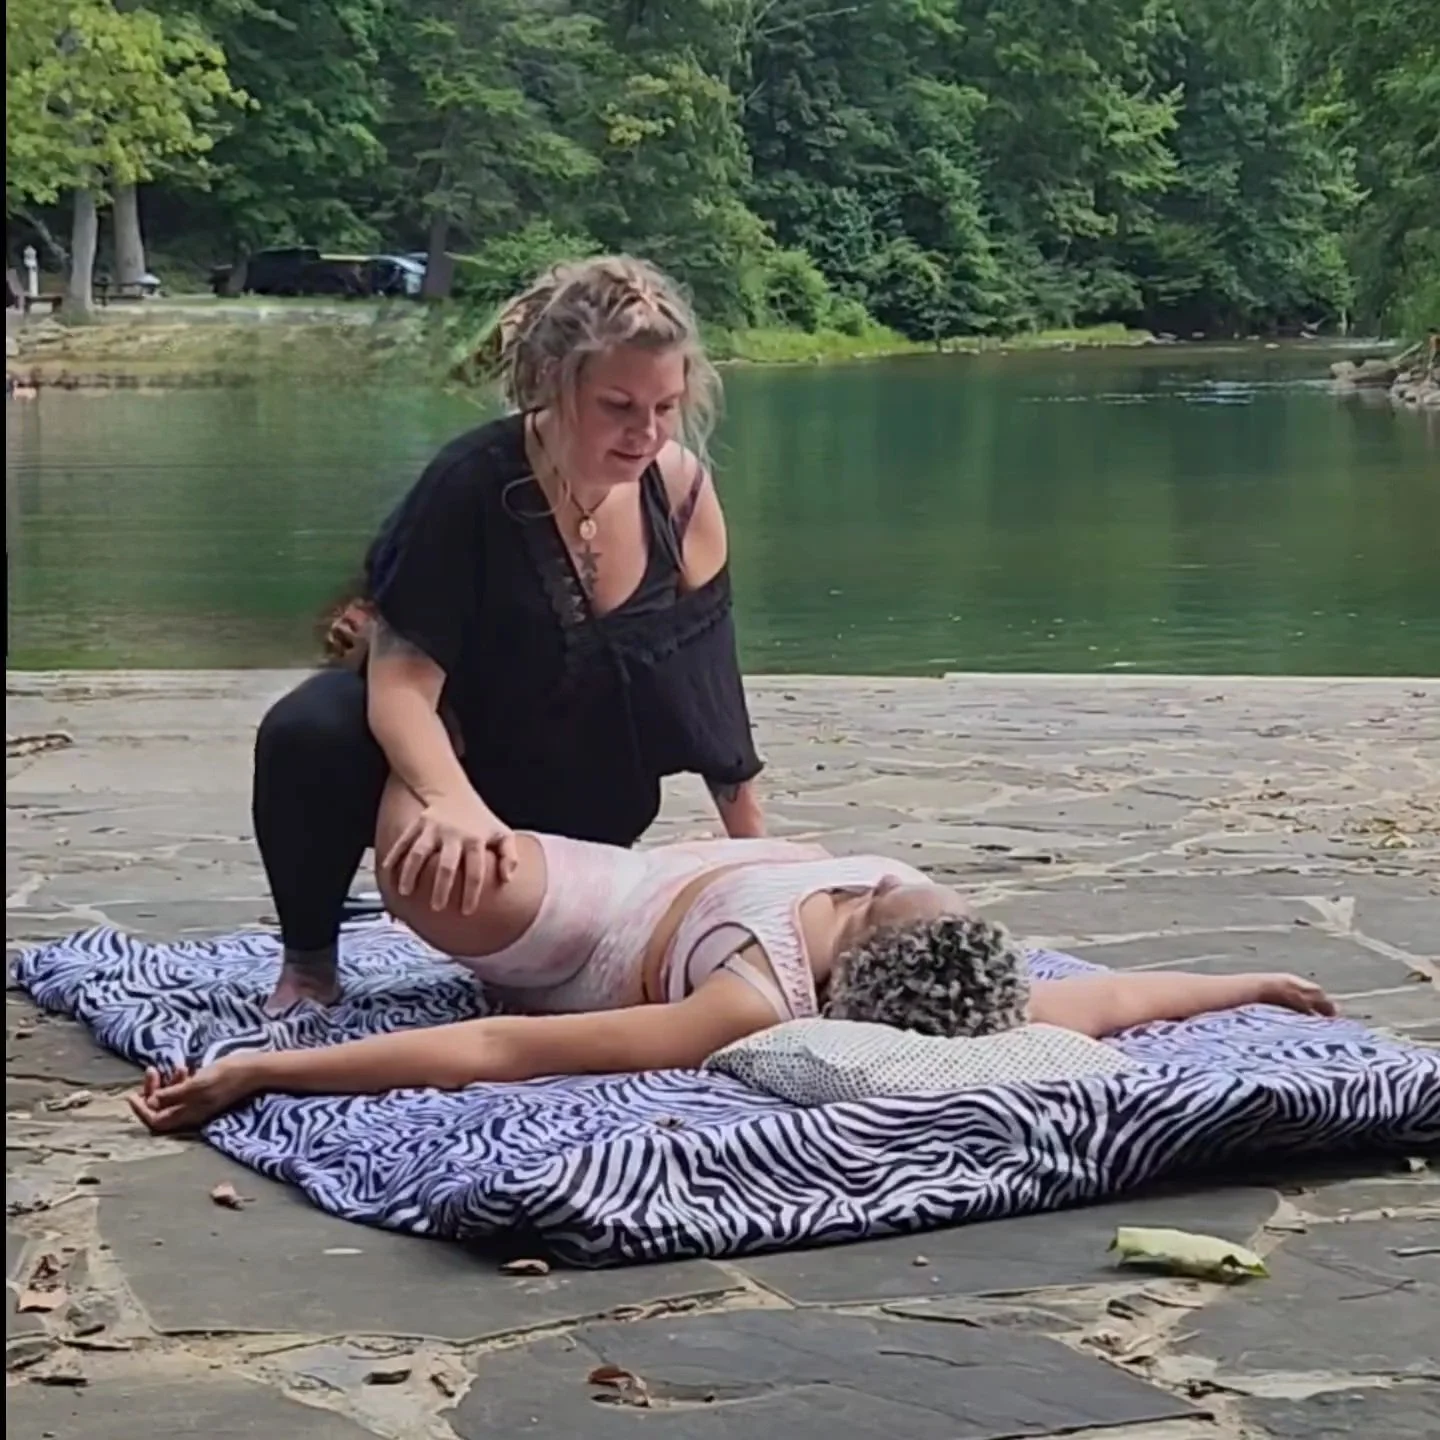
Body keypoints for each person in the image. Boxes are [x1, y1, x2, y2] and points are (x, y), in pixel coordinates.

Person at [252, 256, 767, 1016]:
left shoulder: (682, 490)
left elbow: (709, 685)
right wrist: (450, 803)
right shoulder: (471, 485)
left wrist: (755, 856)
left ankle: (533, 936)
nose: (647, 433)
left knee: (561, 958)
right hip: (466, 765)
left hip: (591, 791)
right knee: (309, 728)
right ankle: (308, 964)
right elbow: (399, 689)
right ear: (553, 385)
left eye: (665, 406)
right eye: (618, 406)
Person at [128, 817, 1335, 1132]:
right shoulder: (971, 977)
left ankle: (387, 688)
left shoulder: (746, 1004)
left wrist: (269, 1071)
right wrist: (1251, 981)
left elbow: (498, 1053)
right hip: (691, 869)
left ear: (863, 940)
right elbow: (1118, 1000)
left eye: (880, 893)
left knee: (425, 845)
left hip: (595, 925)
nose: (891, 876)